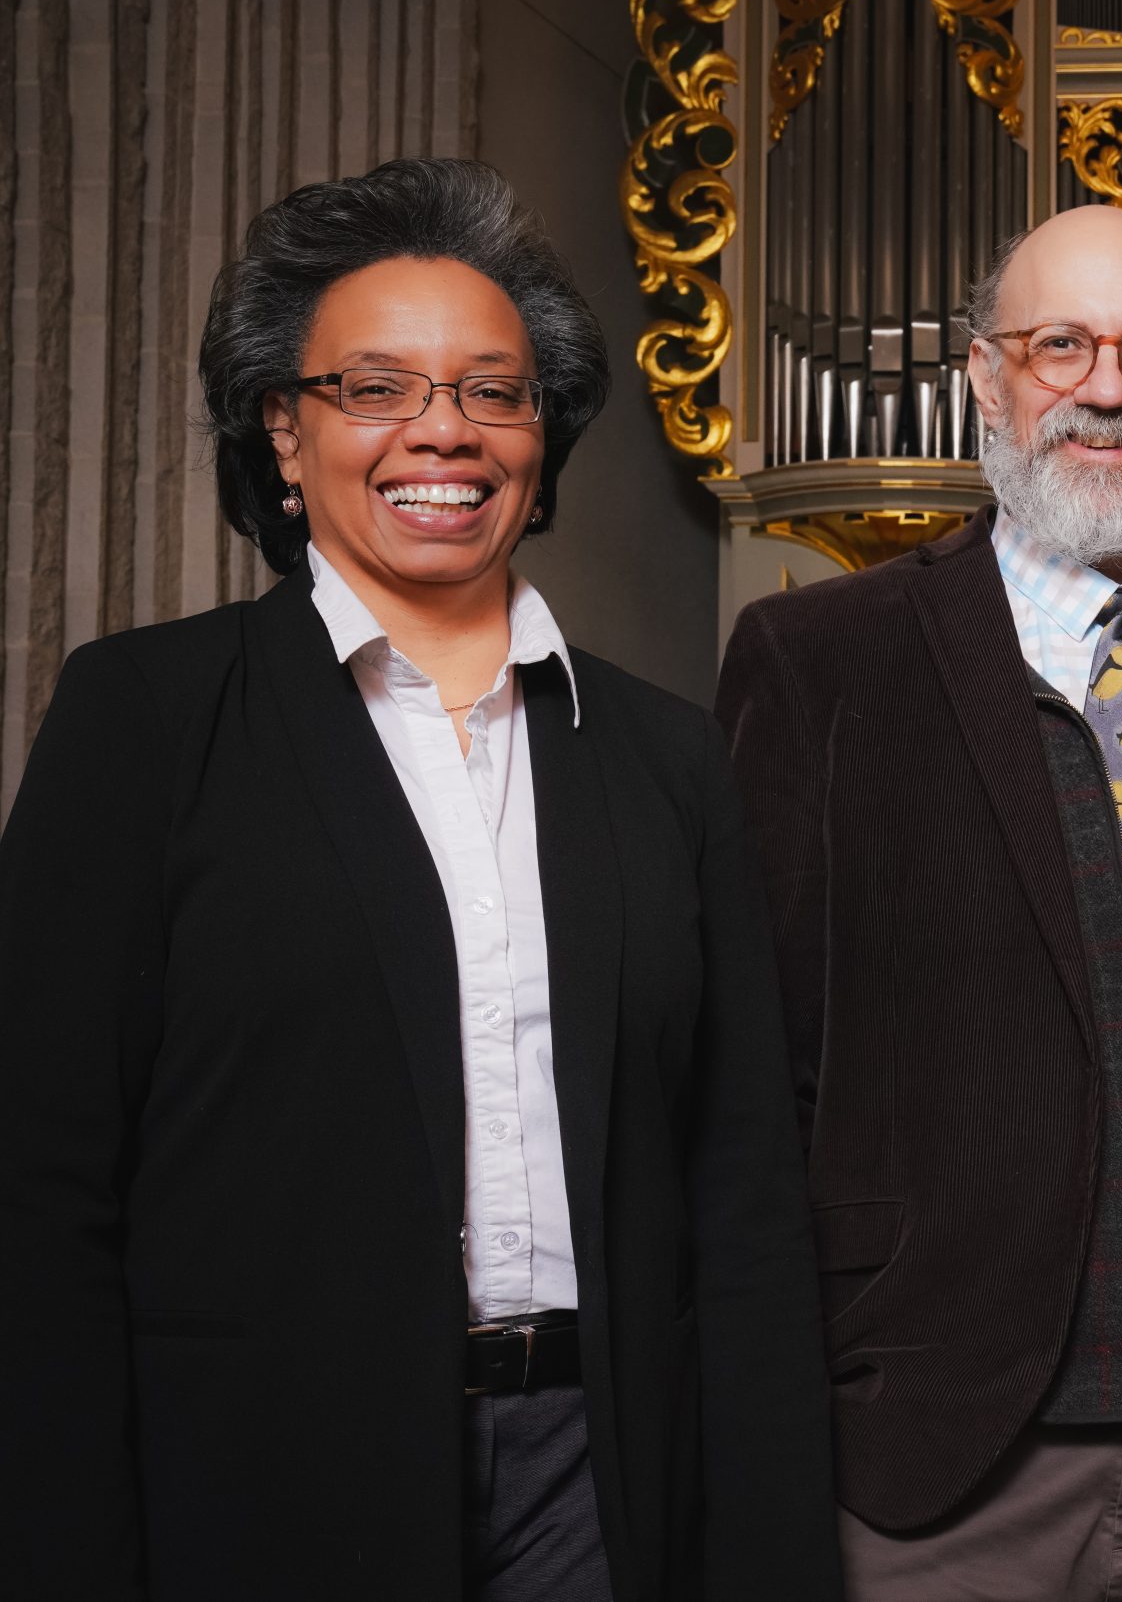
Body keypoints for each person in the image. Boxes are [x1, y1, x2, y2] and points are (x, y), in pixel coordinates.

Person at [0, 158, 840, 1602]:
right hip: (259, 1472)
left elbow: (742, 1196)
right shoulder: (144, 719)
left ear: (542, 434)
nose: (440, 432)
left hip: (607, 1473)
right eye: (374, 387)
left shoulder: (667, 759)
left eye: (491, 391)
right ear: (283, 427)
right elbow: (39, 1187)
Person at [716, 204, 1122, 1599]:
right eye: (1059, 343)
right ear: (982, 377)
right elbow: (750, 1080)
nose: (1102, 387)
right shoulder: (818, 663)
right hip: (945, 1458)